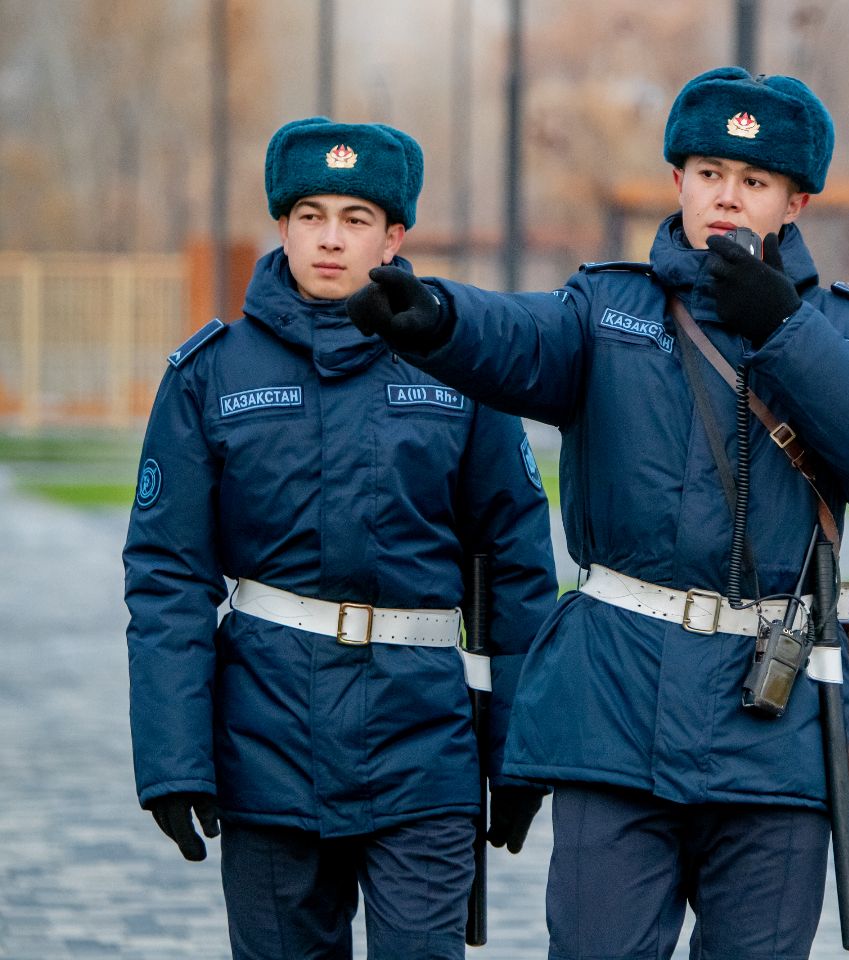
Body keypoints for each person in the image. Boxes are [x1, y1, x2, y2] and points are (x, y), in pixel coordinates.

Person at [346, 66, 849, 959]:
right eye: (709, 174)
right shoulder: (608, 306)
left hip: (775, 725)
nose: (727, 198)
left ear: (797, 202)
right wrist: (436, 314)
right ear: (678, 181)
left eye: (753, 183)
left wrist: (786, 329)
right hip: (615, 709)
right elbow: (517, 340)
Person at [123, 117, 558, 960]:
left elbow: (516, 567)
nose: (330, 239)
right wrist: (173, 759)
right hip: (267, 745)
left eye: (356, 219)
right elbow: (168, 578)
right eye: (311, 215)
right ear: (282, 226)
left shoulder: (461, 370)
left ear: (395, 237)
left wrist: (519, 751)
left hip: (425, 745)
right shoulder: (210, 375)